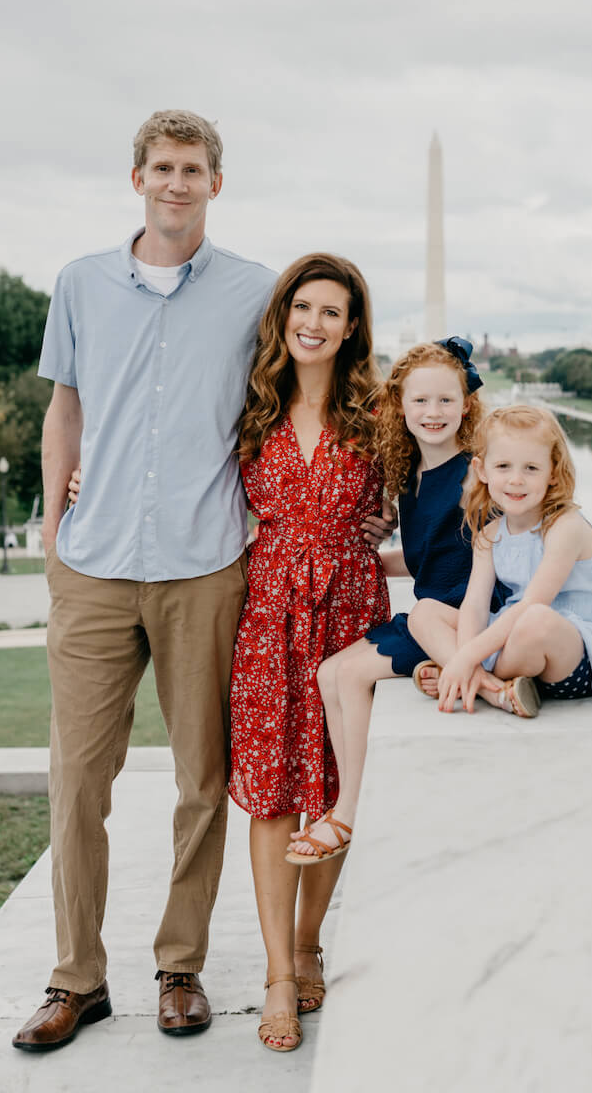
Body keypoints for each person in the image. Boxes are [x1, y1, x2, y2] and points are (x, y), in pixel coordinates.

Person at [20, 111, 388, 1055]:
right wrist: (52, 525)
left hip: (206, 567)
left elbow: (309, 395)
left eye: (193, 170)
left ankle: (179, 967)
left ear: (215, 184)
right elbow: (65, 410)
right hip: (96, 564)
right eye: (162, 168)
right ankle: (76, 978)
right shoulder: (80, 284)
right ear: (135, 176)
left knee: (204, 778)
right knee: (77, 780)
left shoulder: (254, 294)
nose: (176, 184)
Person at [299, 338, 592, 866]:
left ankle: (349, 811)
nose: (433, 413)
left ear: (466, 405)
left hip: (467, 611)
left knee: (350, 674)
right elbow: (434, 554)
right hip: (440, 606)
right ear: (399, 407)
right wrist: (377, 562)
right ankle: (350, 804)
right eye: (421, 402)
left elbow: (534, 519)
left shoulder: (477, 472)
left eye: (446, 401)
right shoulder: (411, 478)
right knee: (329, 673)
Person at [226, 253, 388, 1052]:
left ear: (352, 326)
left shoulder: (377, 414)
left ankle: (308, 940)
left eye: (332, 311)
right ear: (283, 315)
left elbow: (465, 478)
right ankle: (276, 977)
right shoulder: (249, 406)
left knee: (330, 786)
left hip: (350, 609)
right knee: (271, 792)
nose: (314, 323)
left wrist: (574, 544)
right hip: (266, 617)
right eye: (304, 307)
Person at [436, 405, 592, 715]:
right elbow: (474, 603)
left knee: (534, 619)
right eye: (503, 466)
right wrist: (467, 655)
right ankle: (489, 687)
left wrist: (464, 656)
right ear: (482, 470)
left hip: (577, 654)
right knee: (425, 614)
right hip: (521, 638)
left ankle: (463, 675)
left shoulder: (564, 525)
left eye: (531, 468)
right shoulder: (489, 533)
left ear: (553, 472)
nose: (516, 479)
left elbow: (532, 605)